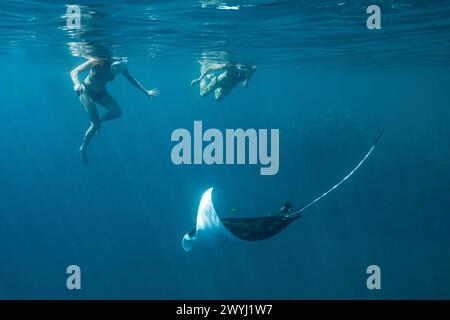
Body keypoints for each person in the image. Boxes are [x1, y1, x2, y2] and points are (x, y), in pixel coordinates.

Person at [70, 56, 159, 163]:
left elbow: (131, 79)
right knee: (95, 124)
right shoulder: (96, 61)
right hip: (86, 92)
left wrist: (146, 91)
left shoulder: (120, 66)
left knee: (117, 112)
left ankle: (98, 122)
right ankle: (83, 148)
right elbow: (74, 71)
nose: (116, 71)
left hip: (101, 93)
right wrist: (76, 84)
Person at [191, 63, 256, 101]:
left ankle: (213, 80)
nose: (243, 68)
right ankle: (204, 78)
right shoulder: (231, 66)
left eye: (247, 68)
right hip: (218, 81)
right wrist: (199, 79)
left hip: (228, 87)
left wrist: (246, 83)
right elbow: (211, 68)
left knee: (217, 99)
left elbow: (247, 78)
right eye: (242, 67)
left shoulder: (250, 71)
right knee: (202, 94)